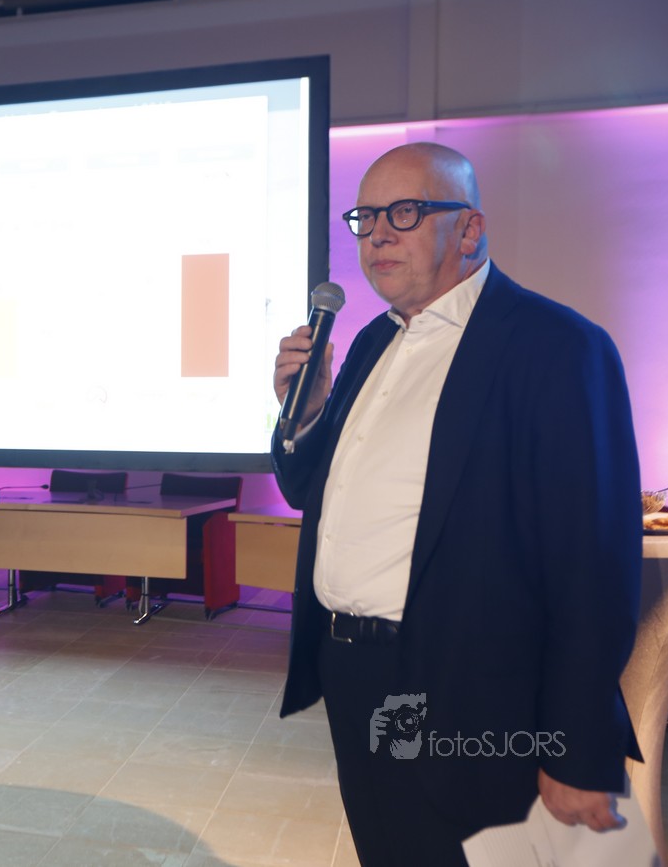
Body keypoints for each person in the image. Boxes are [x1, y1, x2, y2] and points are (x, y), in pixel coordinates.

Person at [271, 142, 642, 865]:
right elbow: (309, 493)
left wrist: (576, 748)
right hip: (354, 673)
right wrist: (305, 414)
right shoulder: (369, 343)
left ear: (469, 230)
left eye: (404, 212)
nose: (378, 234)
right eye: (366, 217)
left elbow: (592, 564)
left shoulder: (556, 346)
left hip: (472, 687)